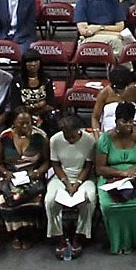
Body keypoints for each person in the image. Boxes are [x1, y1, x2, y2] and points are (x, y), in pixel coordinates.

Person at [94, 100, 136, 253]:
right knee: (109, 206)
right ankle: (118, 244)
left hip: (135, 177)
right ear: (116, 121)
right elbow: (100, 168)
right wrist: (120, 173)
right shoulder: (105, 139)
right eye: (124, 122)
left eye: (131, 122)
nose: (128, 126)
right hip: (111, 179)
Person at [45, 107, 96, 259]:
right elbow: (55, 165)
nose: (70, 140)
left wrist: (78, 182)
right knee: (50, 200)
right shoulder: (55, 140)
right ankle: (59, 236)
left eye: (73, 137)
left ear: (79, 131)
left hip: (84, 176)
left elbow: (88, 166)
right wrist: (66, 182)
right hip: (62, 176)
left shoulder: (89, 140)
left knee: (89, 199)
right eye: (67, 137)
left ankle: (79, 236)